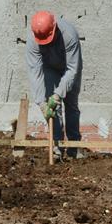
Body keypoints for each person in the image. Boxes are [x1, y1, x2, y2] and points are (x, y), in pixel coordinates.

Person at [26, 10, 83, 159]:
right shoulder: (33, 40)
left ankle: (74, 147)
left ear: (54, 28)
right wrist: (41, 103)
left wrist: (58, 94)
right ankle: (57, 147)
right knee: (52, 107)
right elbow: (35, 72)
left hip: (70, 67)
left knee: (71, 105)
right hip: (49, 67)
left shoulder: (69, 35)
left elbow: (72, 70)